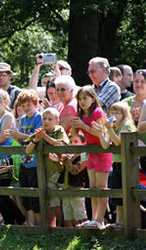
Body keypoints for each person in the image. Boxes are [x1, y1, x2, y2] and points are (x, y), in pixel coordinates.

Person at [71, 86, 112, 229]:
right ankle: (94, 218)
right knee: (92, 188)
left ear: (93, 98)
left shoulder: (98, 112)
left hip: (102, 154)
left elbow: (100, 134)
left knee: (101, 188)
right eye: (80, 99)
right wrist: (75, 126)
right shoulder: (82, 114)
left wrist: (83, 125)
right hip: (91, 154)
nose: (82, 101)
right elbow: (76, 136)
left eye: (85, 98)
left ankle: (100, 220)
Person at [93, 102, 136, 227]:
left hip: (127, 164)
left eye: (117, 113)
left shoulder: (126, 126)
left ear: (124, 114)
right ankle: (118, 222)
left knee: (126, 194)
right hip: (116, 164)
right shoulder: (113, 127)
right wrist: (101, 132)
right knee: (117, 194)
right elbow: (106, 145)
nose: (114, 115)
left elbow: (118, 143)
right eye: (112, 112)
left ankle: (126, 223)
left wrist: (110, 129)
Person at [25, 108, 69, 227]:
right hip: (47, 174)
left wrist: (45, 138)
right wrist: (36, 140)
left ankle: (67, 225)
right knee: (54, 203)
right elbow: (27, 150)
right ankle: (62, 224)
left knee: (65, 201)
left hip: (61, 172)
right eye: (44, 119)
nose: (46, 121)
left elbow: (62, 144)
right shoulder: (41, 132)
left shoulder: (59, 130)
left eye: (50, 119)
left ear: (57, 121)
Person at [0, 89, 25, 225]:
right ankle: (8, 221)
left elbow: (2, 138)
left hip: (4, 159)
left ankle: (20, 219)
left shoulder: (8, 116)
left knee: (4, 193)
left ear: (5, 102)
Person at [9, 89, 43, 225]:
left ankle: (41, 225)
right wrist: (15, 137)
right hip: (25, 161)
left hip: (36, 163)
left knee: (36, 196)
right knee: (26, 196)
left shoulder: (38, 117)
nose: (25, 108)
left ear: (35, 104)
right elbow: (24, 141)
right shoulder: (22, 119)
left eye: (28, 105)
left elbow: (36, 137)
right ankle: (31, 224)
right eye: (23, 106)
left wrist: (19, 135)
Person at [50, 132, 88, 228]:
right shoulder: (70, 156)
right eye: (71, 141)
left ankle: (85, 233)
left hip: (77, 188)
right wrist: (57, 162)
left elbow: (76, 170)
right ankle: (73, 234)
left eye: (76, 141)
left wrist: (66, 161)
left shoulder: (84, 156)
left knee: (80, 213)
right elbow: (61, 170)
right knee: (69, 214)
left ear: (83, 143)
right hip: (66, 187)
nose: (73, 144)